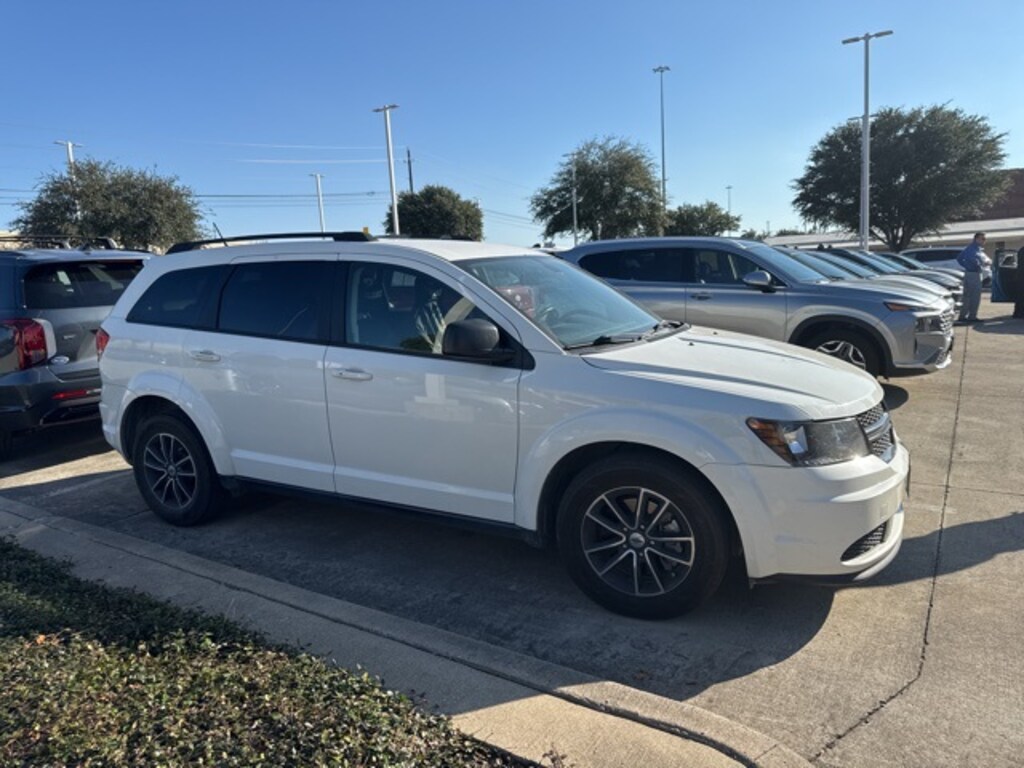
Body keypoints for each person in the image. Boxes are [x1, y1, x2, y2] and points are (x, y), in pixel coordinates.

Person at [956, 232, 988, 323]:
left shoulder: (972, 248)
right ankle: (972, 316)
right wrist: (980, 264)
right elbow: (973, 260)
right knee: (975, 296)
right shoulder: (973, 249)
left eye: (984, 239)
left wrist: (966, 266)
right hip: (974, 273)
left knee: (967, 296)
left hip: (969, 273)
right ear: (976, 239)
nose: (984, 241)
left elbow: (959, 258)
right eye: (982, 239)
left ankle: (963, 316)